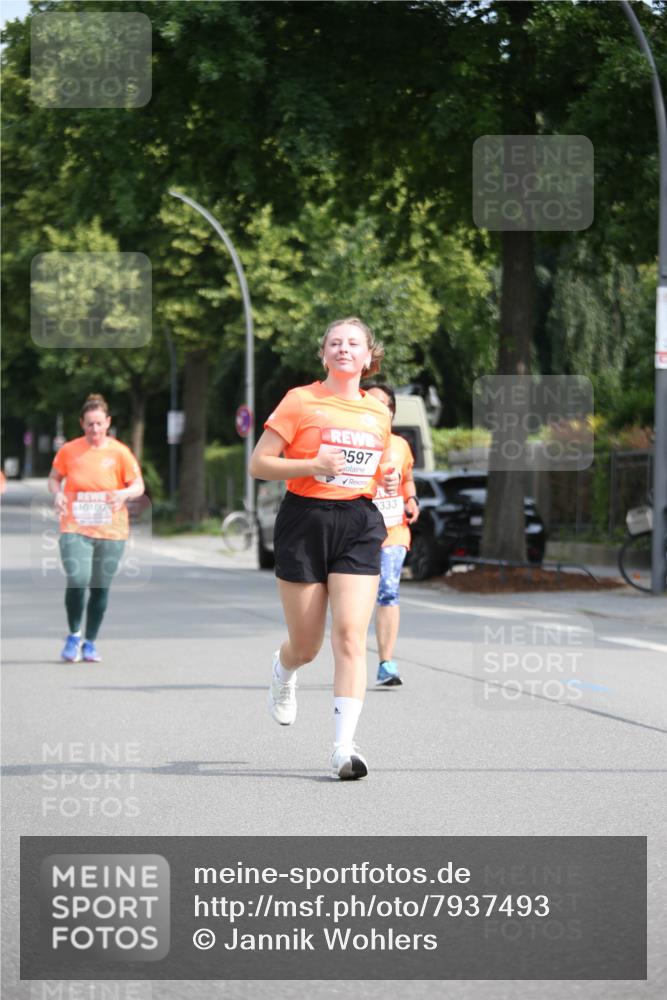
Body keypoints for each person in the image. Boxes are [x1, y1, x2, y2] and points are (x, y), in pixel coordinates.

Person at [249, 317, 400, 780]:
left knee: (351, 636)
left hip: (358, 522)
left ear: (368, 356)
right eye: (335, 342)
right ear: (323, 354)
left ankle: (342, 748)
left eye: (353, 343)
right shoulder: (301, 400)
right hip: (305, 520)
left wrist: (387, 479)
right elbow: (259, 463)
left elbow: (372, 471)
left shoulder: (378, 413)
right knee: (308, 644)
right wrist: (312, 462)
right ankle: (283, 669)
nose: (343, 349)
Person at [47, 394, 145, 663]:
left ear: (108, 422)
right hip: (74, 526)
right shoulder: (69, 450)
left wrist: (123, 494)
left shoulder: (120, 452)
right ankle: (73, 634)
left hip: (111, 530)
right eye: (90, 424)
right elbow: (55, 478)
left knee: (101, 587)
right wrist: (57, 493)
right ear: (82, 424)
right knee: (78, 580)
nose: (95, 429)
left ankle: (90, 642)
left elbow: (138, 486)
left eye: (99, 424)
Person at [365, 384, 420, 686]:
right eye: (369, 402)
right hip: (356, 532)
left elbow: (408, 478)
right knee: (357, 597)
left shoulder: (400, 445)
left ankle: (386, 663)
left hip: (394, 531)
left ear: (392, 411)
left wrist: (411, 499)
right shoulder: (354, 443)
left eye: (383, 404)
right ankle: (351, 657)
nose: (376, 407)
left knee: (388, 589)